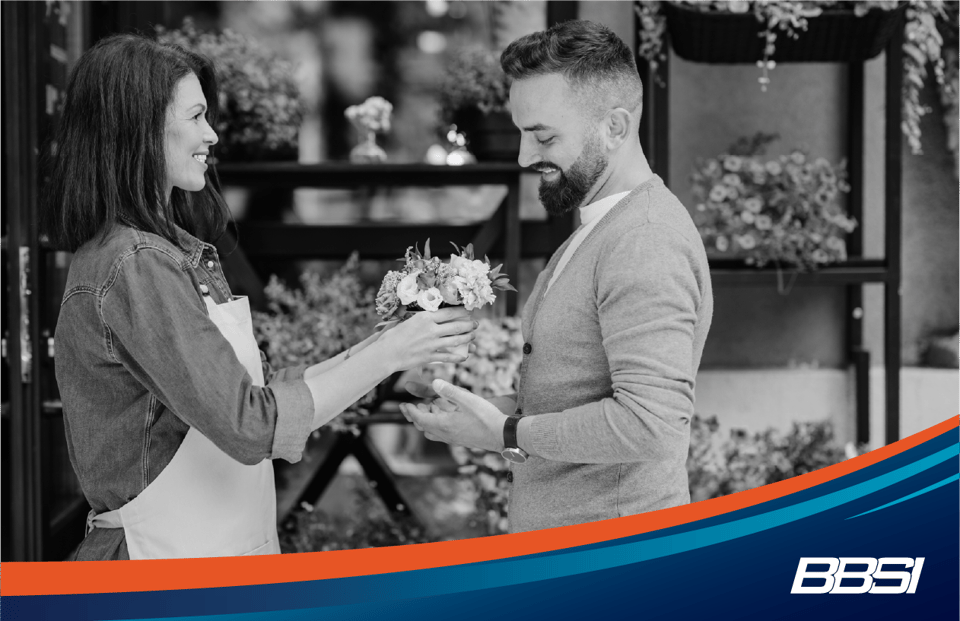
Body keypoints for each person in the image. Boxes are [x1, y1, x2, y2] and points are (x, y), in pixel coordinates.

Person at [42, 34, 475, 560]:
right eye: (196, 116)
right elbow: (252, 426)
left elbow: (261, 393)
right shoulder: (135, 264)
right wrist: (394, 353)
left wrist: (385, 347)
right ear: (138, 128)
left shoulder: (170, 253)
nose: (212, 134)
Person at [401, 20, 714, 533]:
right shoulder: (601, 226)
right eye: (522, 133)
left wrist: (503, 431)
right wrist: (471, 412)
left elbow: (651, 425)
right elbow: (574, 401)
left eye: (542, 136)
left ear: (614, 127)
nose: (525, 157)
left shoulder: (645, 240)